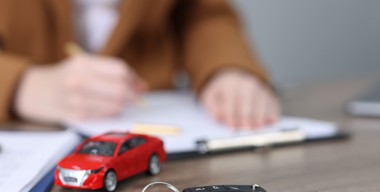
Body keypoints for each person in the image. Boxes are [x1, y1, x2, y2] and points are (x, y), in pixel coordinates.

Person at [0, 0, 279, 129]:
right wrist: (20, 85)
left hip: (150, 128)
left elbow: (200, 12)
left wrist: (225, 67)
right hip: (22, 137)